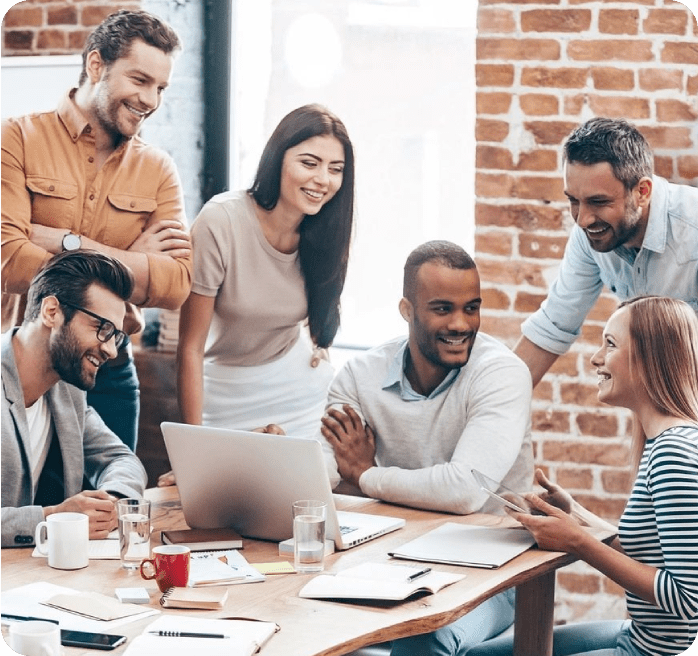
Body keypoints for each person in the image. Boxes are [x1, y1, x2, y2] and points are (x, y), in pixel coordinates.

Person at [320, 240, 534, 656]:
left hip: (494, 572)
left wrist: (365, 476)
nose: (461, 324)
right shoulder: (360, 376)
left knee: (425, 636)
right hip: (385, 561)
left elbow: (464, 490)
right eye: (443, 309)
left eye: (471, 308)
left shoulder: (501, 373)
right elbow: (322, 478)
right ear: (407, 311)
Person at [1, 9, 192, 451]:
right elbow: (10, 260)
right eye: (140, 80)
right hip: (24, 358)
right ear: (96, 65)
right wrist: (132, 262)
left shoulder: (158, 169)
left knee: (113, 496)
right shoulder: (16, 139)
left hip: (108, 364)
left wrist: (69, 243)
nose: (151, 100)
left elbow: (176, 283)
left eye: (161, 88)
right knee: (32, 504)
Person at [469, 295, 698, 656]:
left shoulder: (675, 453)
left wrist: (577, 541)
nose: (595, 358)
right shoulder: (663, 443)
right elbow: (650, 556)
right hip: (639, 636)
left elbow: (687, 599)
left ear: (650, 357)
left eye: (609, 344)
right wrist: (576, 514)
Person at [155, 104, 354, 487]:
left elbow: (318, 321)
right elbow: (190, 348)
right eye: (309, 163)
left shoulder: (327, 231)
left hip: (296, 391)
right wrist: (190, 452)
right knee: (225, 492)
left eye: (336, 169)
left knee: (309, 489)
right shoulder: (222, 220)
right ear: (278, 159)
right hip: (226, 391)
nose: (323, 180)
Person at [514, 117, 698, 388]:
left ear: (642, 192)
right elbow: (554, 323)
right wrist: (491, 408)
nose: (584, 219)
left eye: (598, 202)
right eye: (573, 200)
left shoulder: (692, 229)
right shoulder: (592, 233)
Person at [1, 251, 148, 548]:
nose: (111, 351)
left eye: (116, 336)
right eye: (102, 329)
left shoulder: (67, 391)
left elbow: (120, 459)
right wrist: (52, 518)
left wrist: (110, 503)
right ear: (51, 311)